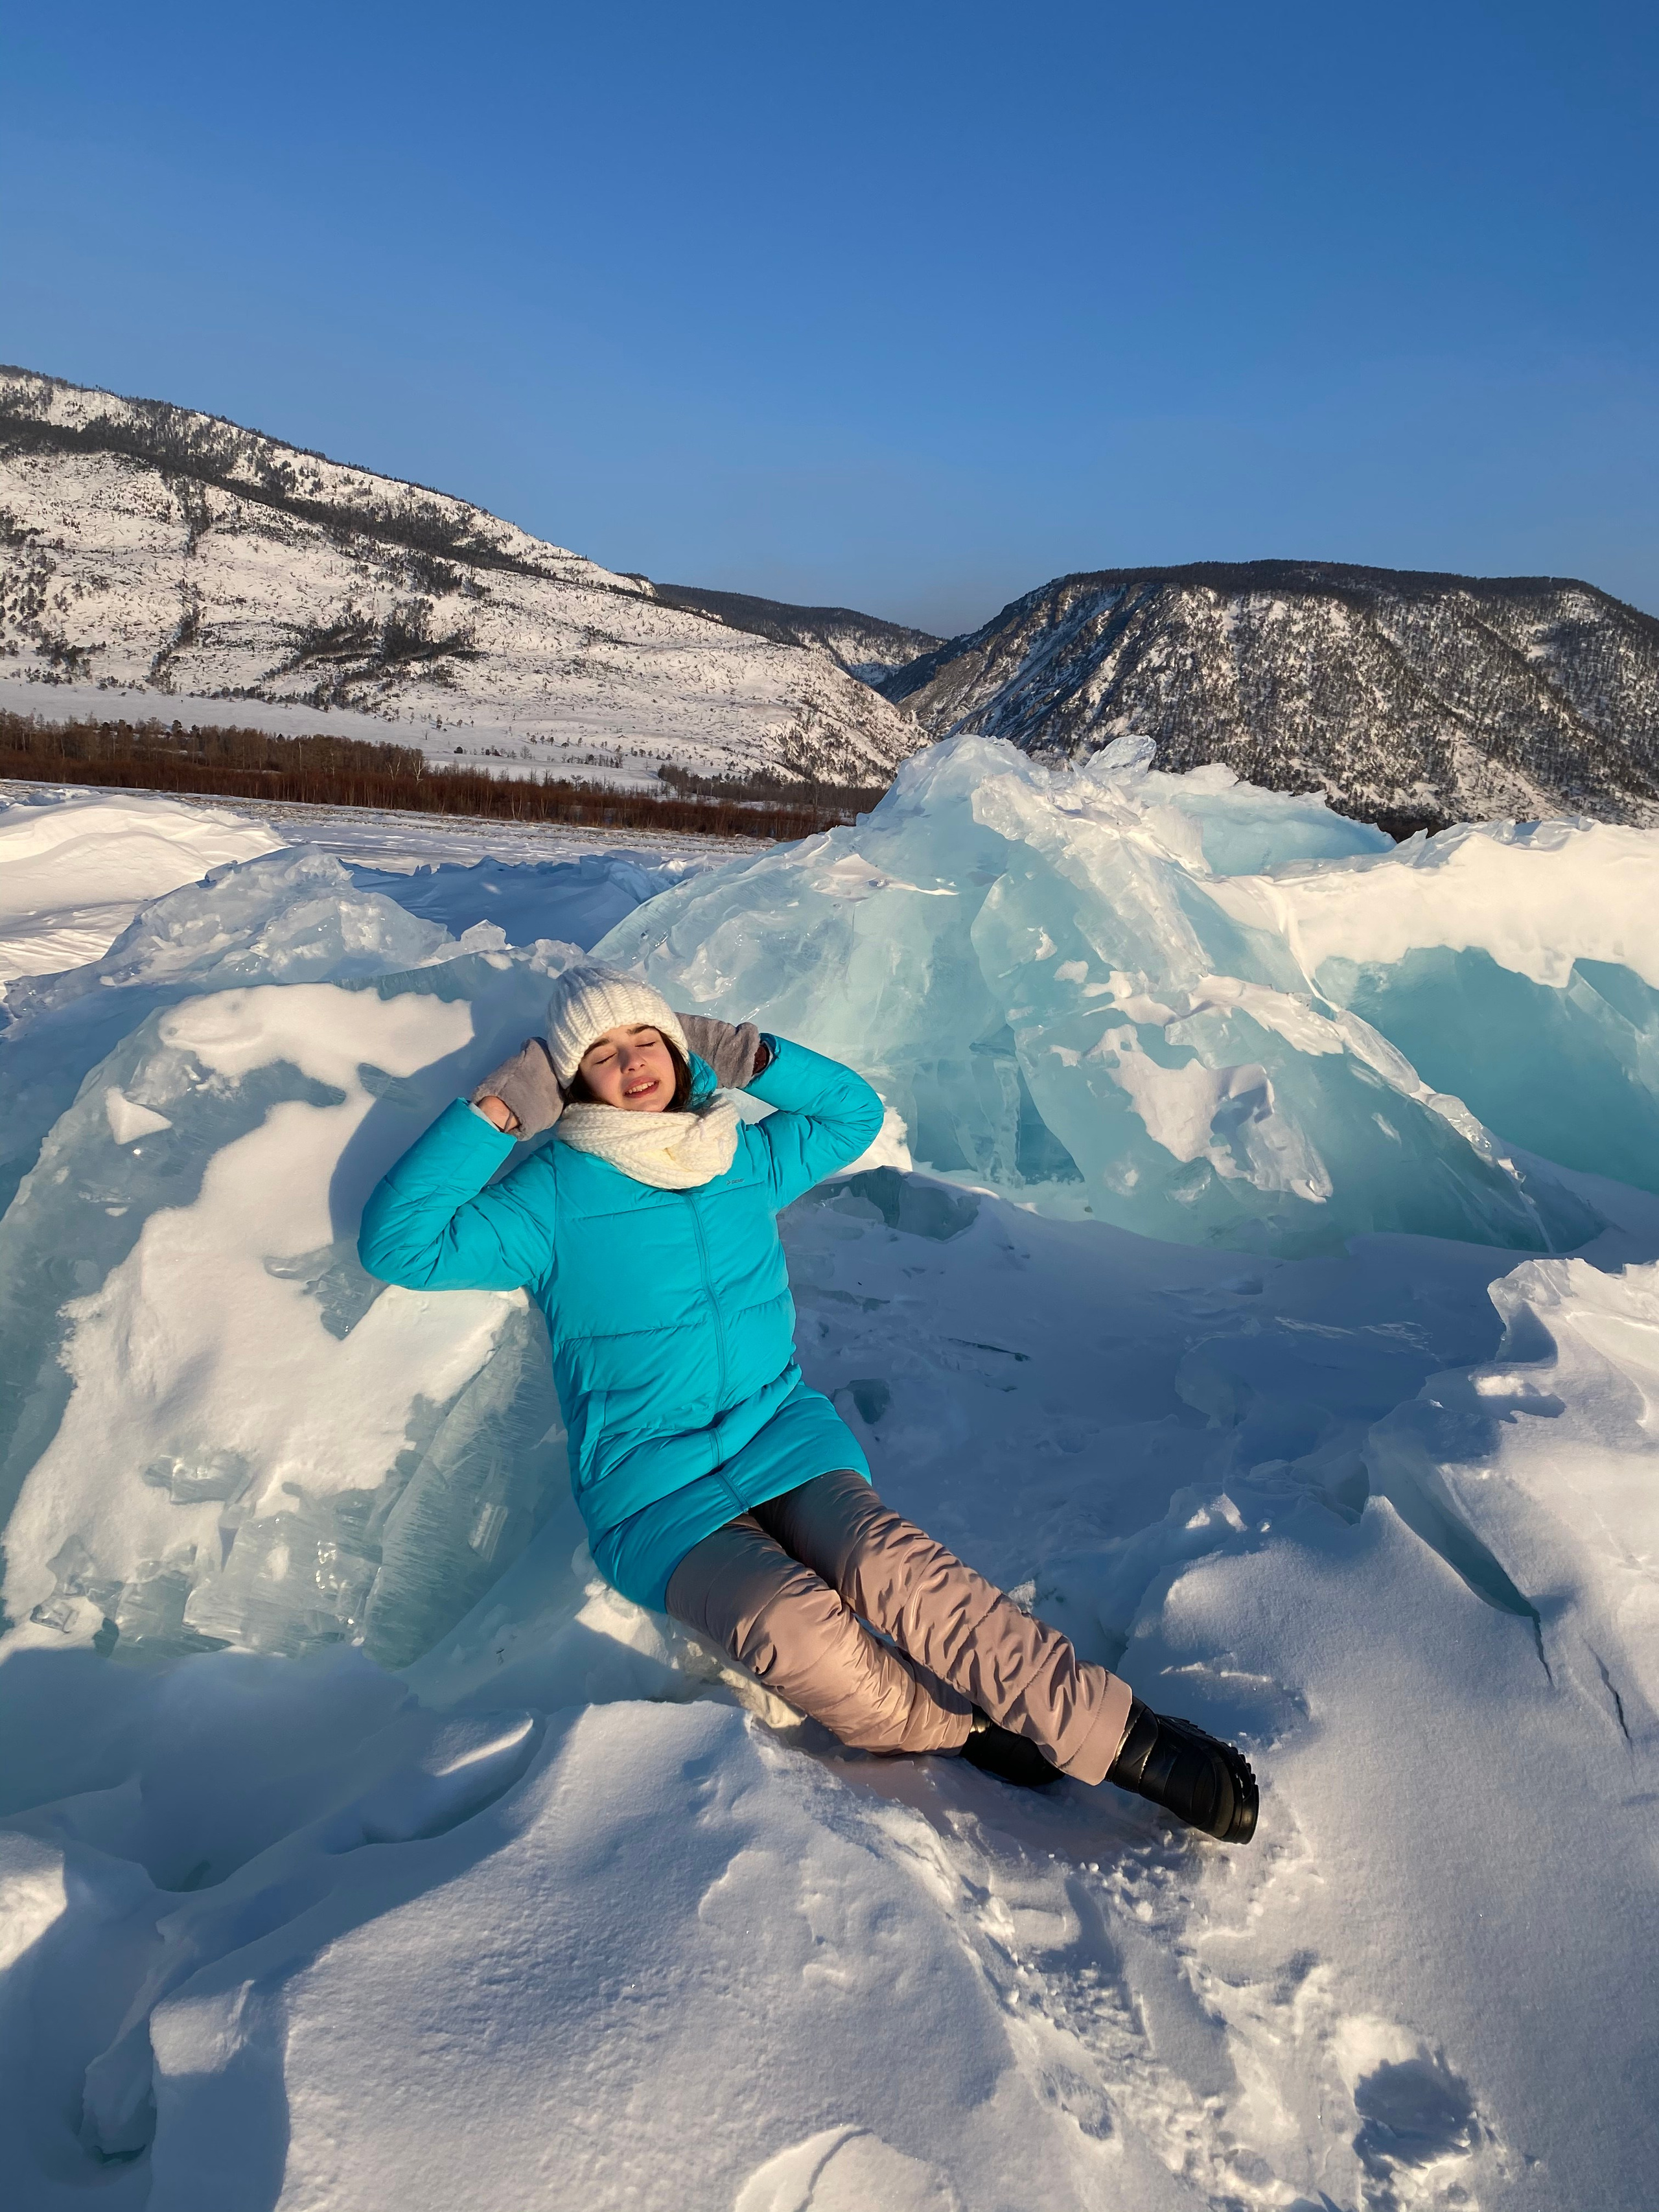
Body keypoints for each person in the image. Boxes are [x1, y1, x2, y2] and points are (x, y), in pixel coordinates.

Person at [358, 965, 1258, 1844]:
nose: (635, 1062)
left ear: (678, 1047)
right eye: (602, 1052)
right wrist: (500, 1111)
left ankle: (1124, 1736)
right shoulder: (550, 1194)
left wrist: (742, 1053)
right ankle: (957, 1729)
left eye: (648, 1038)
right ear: (568, 1081)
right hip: (653, 1497)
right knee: (796, 1625)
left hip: (780, 1439)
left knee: (890, 1565)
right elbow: (400, 1242)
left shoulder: (736, 1154)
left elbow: (849, 1112)